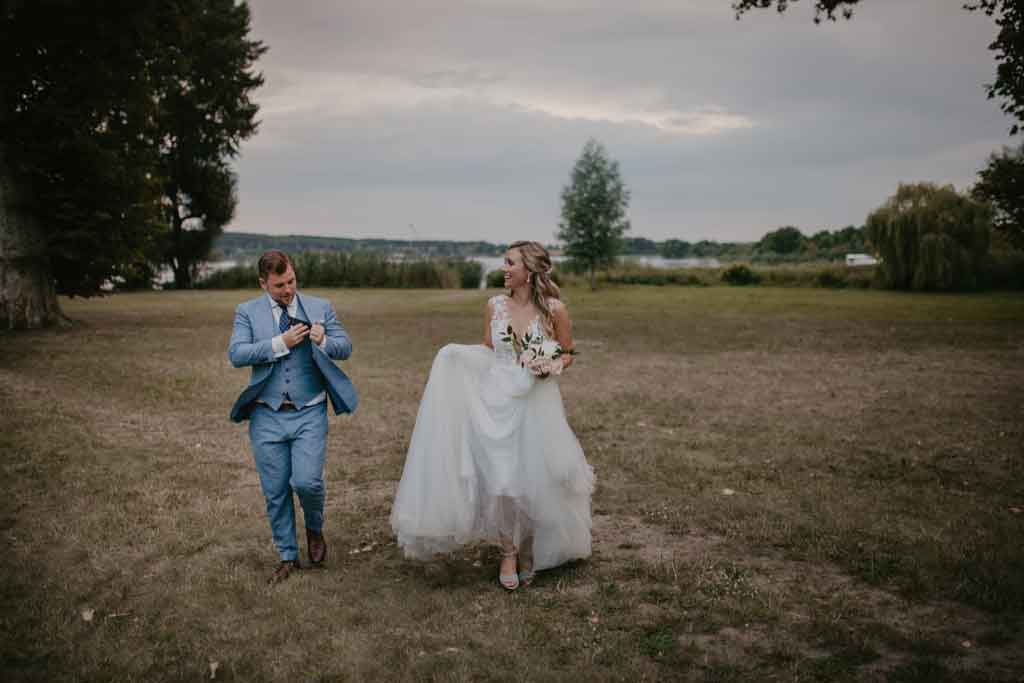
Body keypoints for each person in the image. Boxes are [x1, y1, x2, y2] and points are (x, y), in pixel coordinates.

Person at [390, 240, 593, 590]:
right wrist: (455, 356)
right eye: (504, 261)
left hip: (537, 401)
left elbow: (569, 351)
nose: (504, 268)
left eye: (510, 262)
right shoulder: (494, 305)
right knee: (501, 477)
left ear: (529, 271)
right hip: (497, 399)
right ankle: (508, 552)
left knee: (535, 473)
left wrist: (551, 363)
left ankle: (531, 545)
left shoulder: (555, 310)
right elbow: (489, 349)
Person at [228, 250, 358, 584]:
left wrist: (324, 339)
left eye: (291, 281)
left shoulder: (319, 307)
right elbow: (237, 353)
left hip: (309, 410)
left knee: (306, 482)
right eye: (279, 285)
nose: (288, 290)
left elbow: (346, 346)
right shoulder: (247, 312)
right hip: (267, 414)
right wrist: (278, 343)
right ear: (263, 283)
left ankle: (314, 528)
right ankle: (287, 556)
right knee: (274, 490)